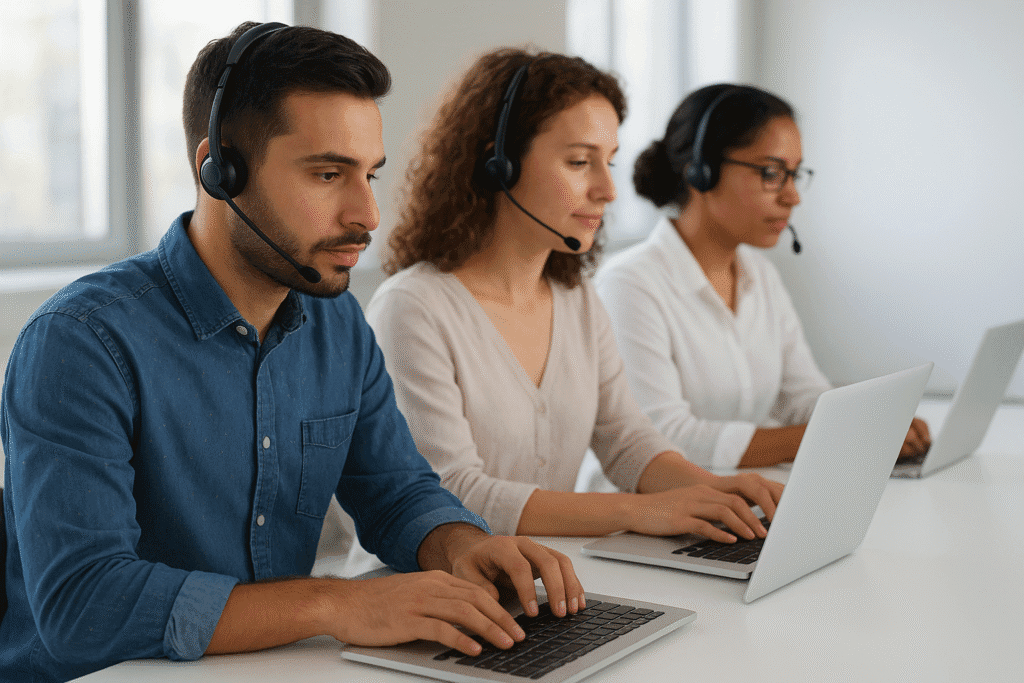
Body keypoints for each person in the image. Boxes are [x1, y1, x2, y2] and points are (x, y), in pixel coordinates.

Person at [0, 23, 583, 682]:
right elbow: (85, 607)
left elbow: (394, 491)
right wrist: (337, 601)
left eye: (370, 175)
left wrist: (461, 544)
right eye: (328, 173)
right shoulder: (80, 342)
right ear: (219, 170)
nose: (368, 213)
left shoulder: (337, 324)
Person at [366, 49, 784, 546]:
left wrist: (718, 491)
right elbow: (451, 491)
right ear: (499, 163)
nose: (608, 189)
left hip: (554, 582)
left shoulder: (576, 299)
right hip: (432, 592)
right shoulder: (414, 308)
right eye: (580, 162)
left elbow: (625, 440)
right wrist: (642, 510)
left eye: (609, 162)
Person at [595, 84, 930, 469]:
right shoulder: (630, 285)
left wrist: (872, 423)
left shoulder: (760, 275)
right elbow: (664, 437)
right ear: (700, 171)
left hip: (752, 497)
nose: (792, 196)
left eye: (795, 174)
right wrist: (833, 434)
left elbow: (801, 397)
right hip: (658, 513)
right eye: (771, 173)